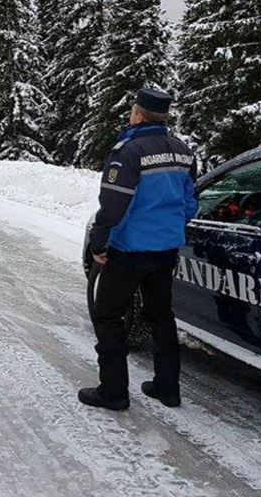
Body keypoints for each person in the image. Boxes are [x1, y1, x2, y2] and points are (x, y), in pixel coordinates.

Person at [78, 87, 198, 411]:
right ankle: (167, 388)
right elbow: (189, 205)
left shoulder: (128, 151)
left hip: (129, 250)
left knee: (108, 314)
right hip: (165, 250)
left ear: (139, 115)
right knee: (161, 316)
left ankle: (113, 391)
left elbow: (115, 205)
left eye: (132, 111)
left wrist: (100, 242)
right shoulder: (183, 152)